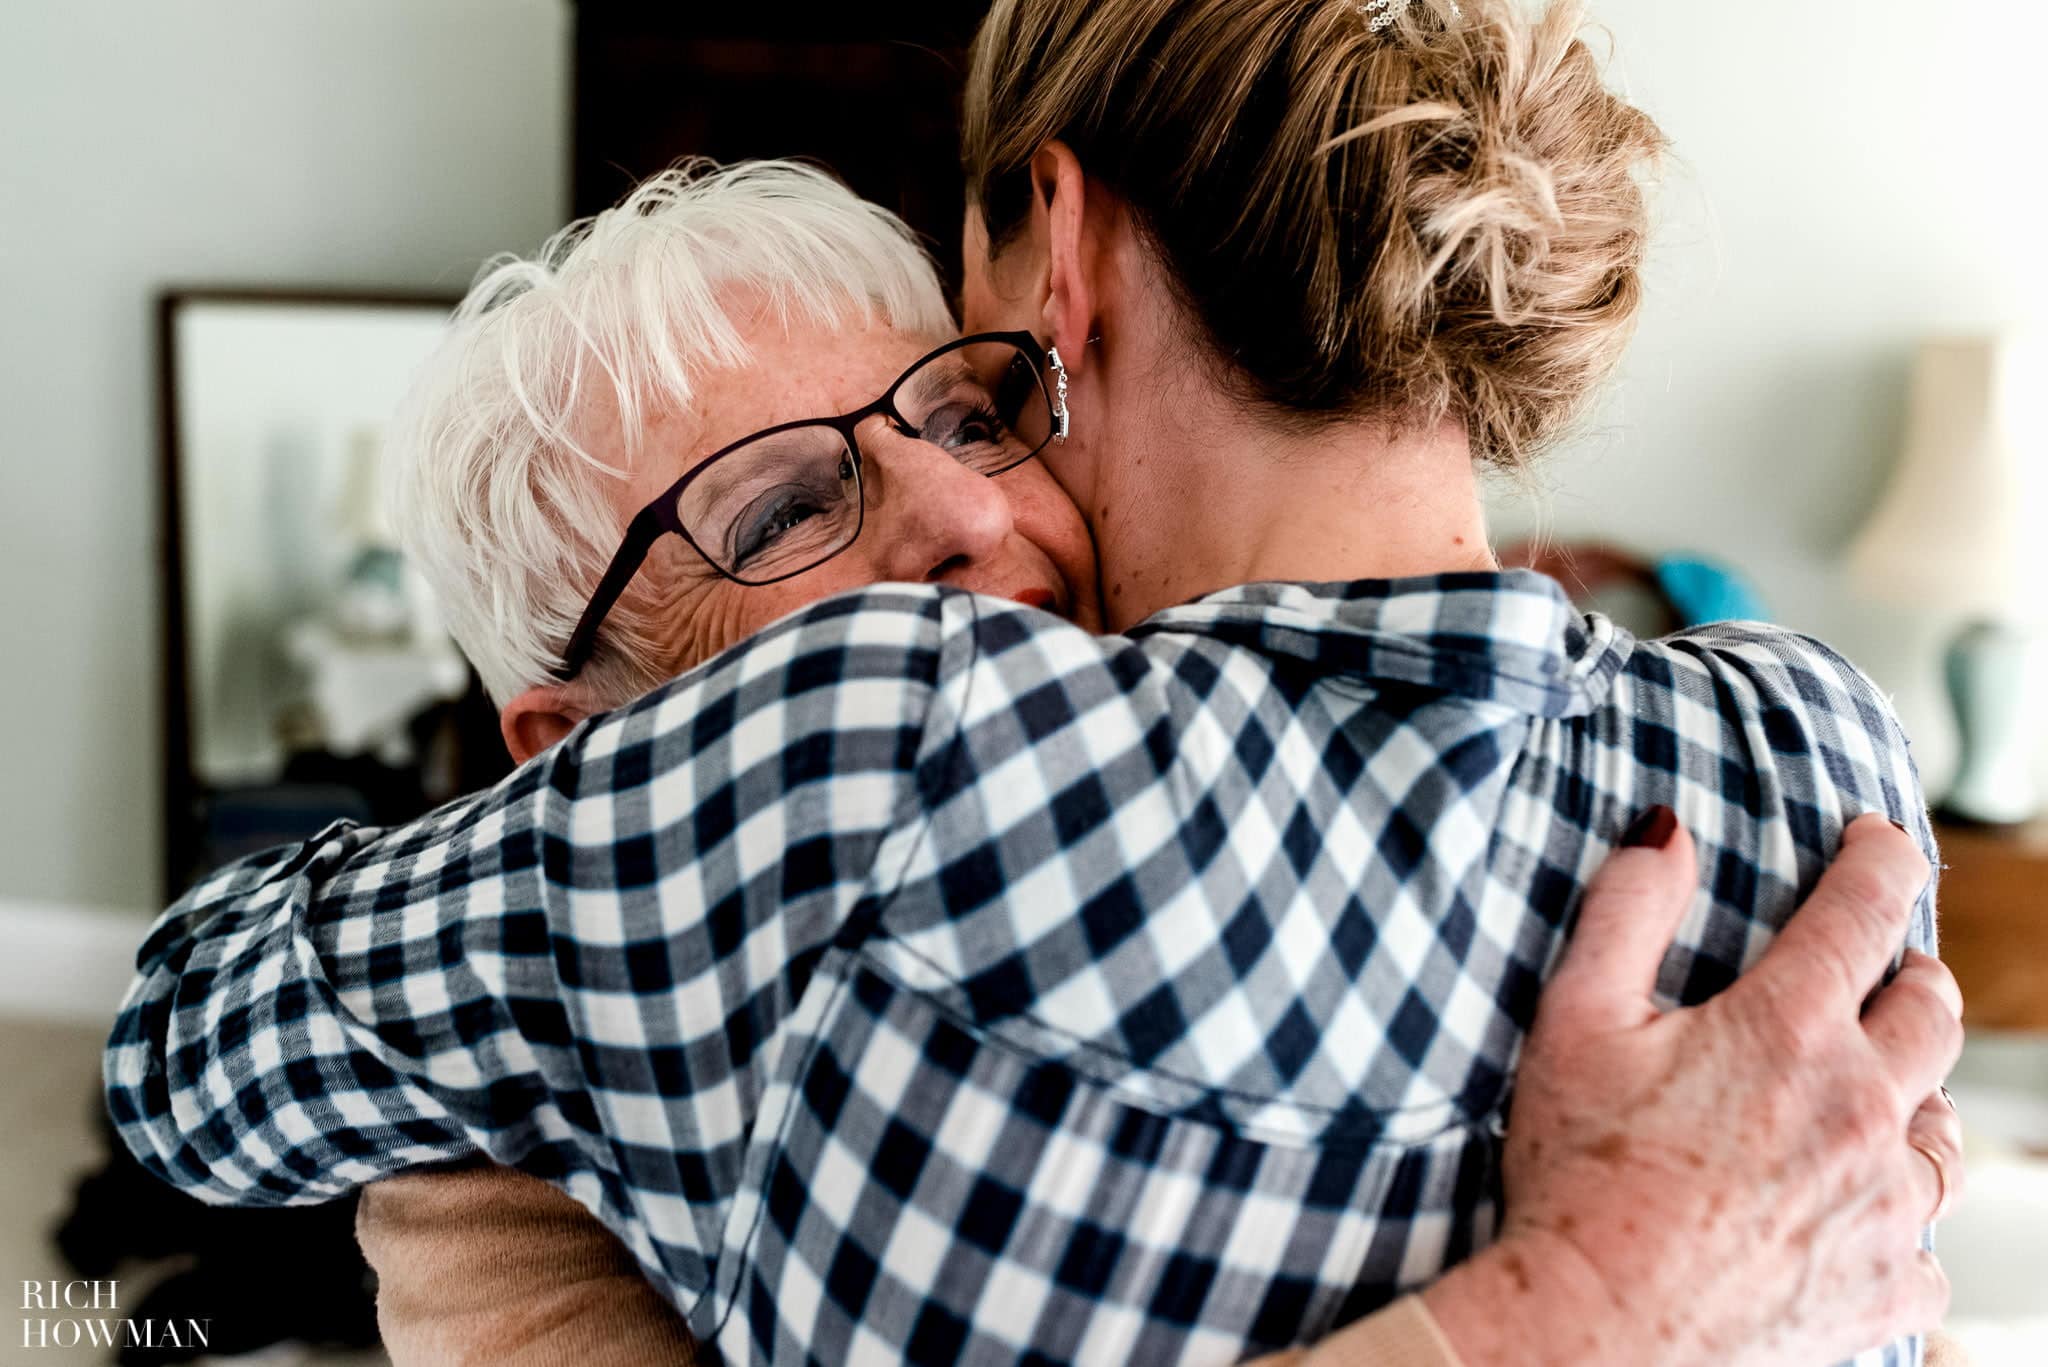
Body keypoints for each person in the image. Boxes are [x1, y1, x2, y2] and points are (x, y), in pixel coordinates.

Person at [108, 4, 1962, 1365]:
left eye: (975, 407)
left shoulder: (888, 781)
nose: (965, 513)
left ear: (1057, 267)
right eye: (780, 506)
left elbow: (194, 1045)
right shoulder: (1818, 749)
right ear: (566, 753)